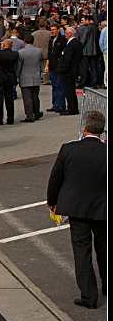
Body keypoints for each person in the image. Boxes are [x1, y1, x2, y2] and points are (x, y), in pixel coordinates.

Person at [46, 111, 107, 310]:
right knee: (104, 247)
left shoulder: (69, 150)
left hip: (77, 207)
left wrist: (52, 201)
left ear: (84, 128)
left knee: (82, 250)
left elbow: (56, 177)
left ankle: (89, 295)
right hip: (102, 208)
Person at [15, 35, 44, 122]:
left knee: (27, 98)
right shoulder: (39, 51)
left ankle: (29, 115)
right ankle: (36, 112)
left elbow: (18, 66)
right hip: (35, 75)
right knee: (35, 96)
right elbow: (41, 61)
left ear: (24, 41)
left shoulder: (21, 52)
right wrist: (40, 71)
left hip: (25, 76)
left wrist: (16, 76)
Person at [0, 39, 18, 125]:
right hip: (10, 79)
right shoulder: (15, 54)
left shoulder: (0, 53)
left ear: (3, 45)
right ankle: (10, 118)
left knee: (0, 99)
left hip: (1, 78)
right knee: (9, 99)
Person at [59, 26, 83, 115]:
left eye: (66, 33)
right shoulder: (78, 43)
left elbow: (68, 58)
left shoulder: (70, 45)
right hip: (74, 69)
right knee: (72, 90)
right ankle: (74, 107)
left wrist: (63, 68)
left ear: (70, 34)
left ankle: (71, 108)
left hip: (68, 71)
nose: (65, 35)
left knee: (68, 90)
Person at [46, 23, 68, 112]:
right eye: (51, 30)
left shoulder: (62, 40)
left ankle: (61, 105)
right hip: (52, 66)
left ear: (58, 30)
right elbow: (49, 54)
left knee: (60, 86)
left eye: (54, 29)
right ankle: (55, 105)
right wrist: (47, 65)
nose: (52, 31)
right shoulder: (51, 40)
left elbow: (64, 54)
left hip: (59, 67)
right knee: (54, 86)